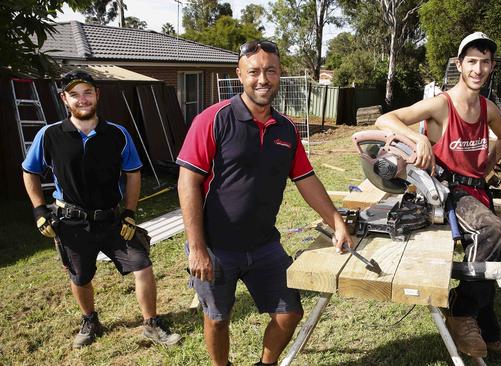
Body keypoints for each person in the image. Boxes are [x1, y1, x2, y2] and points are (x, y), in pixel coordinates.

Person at [176, 40, 353, 366]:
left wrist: (337, 222)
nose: (262, 79)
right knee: (217, 318)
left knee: (290, 312)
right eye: (254, 71)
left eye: (270, 71)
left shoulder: (285, 128)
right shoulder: (213, 120)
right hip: (216, 246)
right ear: (240, 74)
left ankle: (266, 363)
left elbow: (307, 180)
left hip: (264, 245)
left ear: (279, 74)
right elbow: (187, 182)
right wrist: (197, 247)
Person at [375, 32, 501, 365]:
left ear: (492, 66)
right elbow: (387, 118)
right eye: (471, 61)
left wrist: (490, 162)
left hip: (476, 191)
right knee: (491, 231)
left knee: (487, 262)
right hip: (447, 191)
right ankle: (461, 310)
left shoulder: (487, 107)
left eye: (485, 62)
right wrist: (418, 139)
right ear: (459, 64)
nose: (478, 69)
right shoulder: (441, 104)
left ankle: (490, 334)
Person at [21, 70, 181, 349]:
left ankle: (152, 324)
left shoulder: (117, 134)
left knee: (142, 265)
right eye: (75, 94)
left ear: (98, 95)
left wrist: (129, 213)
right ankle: (90, 320)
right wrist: (38, 211)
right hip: (71, 223)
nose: (82, 99)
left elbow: (133, 174)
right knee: (79, 277)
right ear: (64, 99)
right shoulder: (49, 136)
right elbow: (29, 172)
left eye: (88, 92)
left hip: (112, 219)